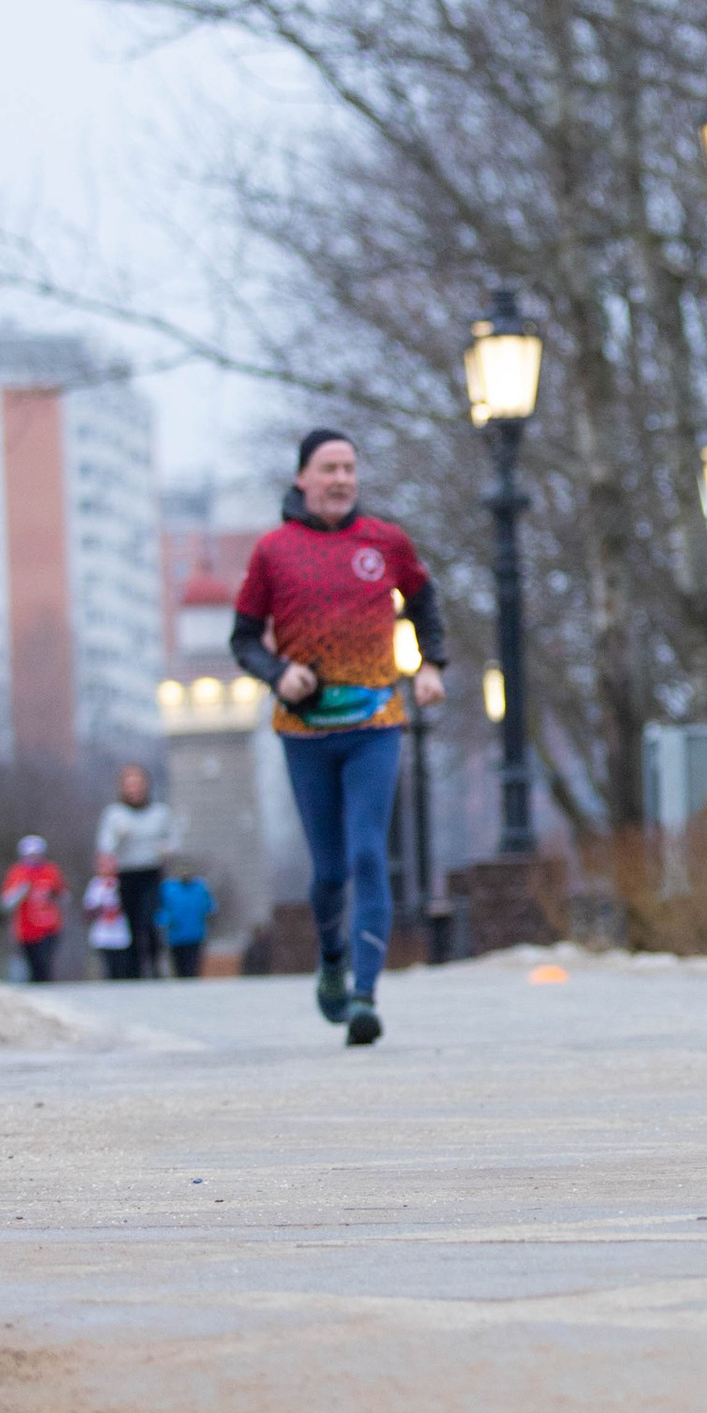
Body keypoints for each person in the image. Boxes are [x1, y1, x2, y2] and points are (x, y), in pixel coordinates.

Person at [232, 427, 447, 1048]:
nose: (341, 479)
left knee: (367, 855)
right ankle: (332, 957)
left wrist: (431, 664)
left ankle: (365, 996)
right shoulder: (274, 551)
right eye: (329, 468)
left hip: (376, 723)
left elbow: (425, 604)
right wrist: (279, 673)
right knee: (329, 871)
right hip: (305, 729)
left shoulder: (385, 542)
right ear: (302, 478)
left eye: (350, 467)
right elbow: (243, 638)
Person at [96, 763, 178, 980]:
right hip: (126, 873)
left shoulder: (159, 812)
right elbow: (105, 847)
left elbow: (173, 840)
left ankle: (154, 963)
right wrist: (116, 842)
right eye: (129, 785)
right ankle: (133, 970)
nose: (134, 789)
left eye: (138, 784)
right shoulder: (115, 815)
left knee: (149, 919)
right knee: (131, 922)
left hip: (151, 871)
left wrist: (165, 849)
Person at [0, 836, 66, 982]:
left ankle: (48, 992)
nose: (34, 858)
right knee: (32, 966)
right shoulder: (17, 872)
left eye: (37, 854)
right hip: (25, 929)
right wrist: (21, 891)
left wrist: (53, 895)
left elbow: (64, 896)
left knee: (44, 963)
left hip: (49, 927)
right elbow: (5, 903)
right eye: (30, 855)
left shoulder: (50, 871)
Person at [157, 865, 217, 980]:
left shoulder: (200, 888)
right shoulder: (169, 888)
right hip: (176, 935)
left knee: (192, 966)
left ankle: (191, 987)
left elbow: (210, 907)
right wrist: (164, 920)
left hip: (195, 935)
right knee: (179, 965)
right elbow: (162, 909)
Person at [83, 867, 132, 977]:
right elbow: (88, 909)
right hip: (103, 933)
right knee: (109, 967)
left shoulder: (122, 882)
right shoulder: (96, 884)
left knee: (124, 967)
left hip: (121, 933)